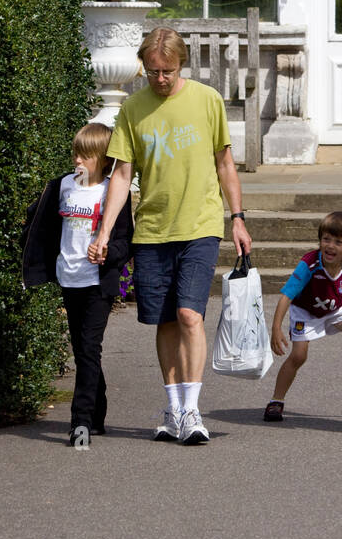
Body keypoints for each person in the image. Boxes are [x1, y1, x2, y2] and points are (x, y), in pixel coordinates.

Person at [89, 27, 251, 445]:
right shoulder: (133, 109)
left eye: (169, 71)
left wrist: (237, 218)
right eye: (154, 72)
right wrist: (105, 230)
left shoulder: (207, 100)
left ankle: (192, 411)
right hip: (153, 230)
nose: (160, 79)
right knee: (163, 321)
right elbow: (122, 174)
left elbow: (225, 165)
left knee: (189, 315)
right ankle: (174, 407)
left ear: (182, 65)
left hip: (199, 225)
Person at [22, 123, 132, 446]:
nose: (78, 162)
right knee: (84, 350)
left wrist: (108, 251)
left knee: (88, 348)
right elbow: (40, 225)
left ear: (103, 160)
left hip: (98, 284)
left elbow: (127, 242)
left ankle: (80, 422)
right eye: (76, 154)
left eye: (85, 156)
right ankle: (97, 411)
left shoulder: (113, 193)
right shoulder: (63, 187)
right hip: (68, 279)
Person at [263, 211, 342, 422]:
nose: (330, 246)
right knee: (298, 356)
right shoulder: (309, 264)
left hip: (338, 308)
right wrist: (276, 328)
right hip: (306, 310)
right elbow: (286, 295)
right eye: (326, 239)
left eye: (338, 242)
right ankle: (276, 401)